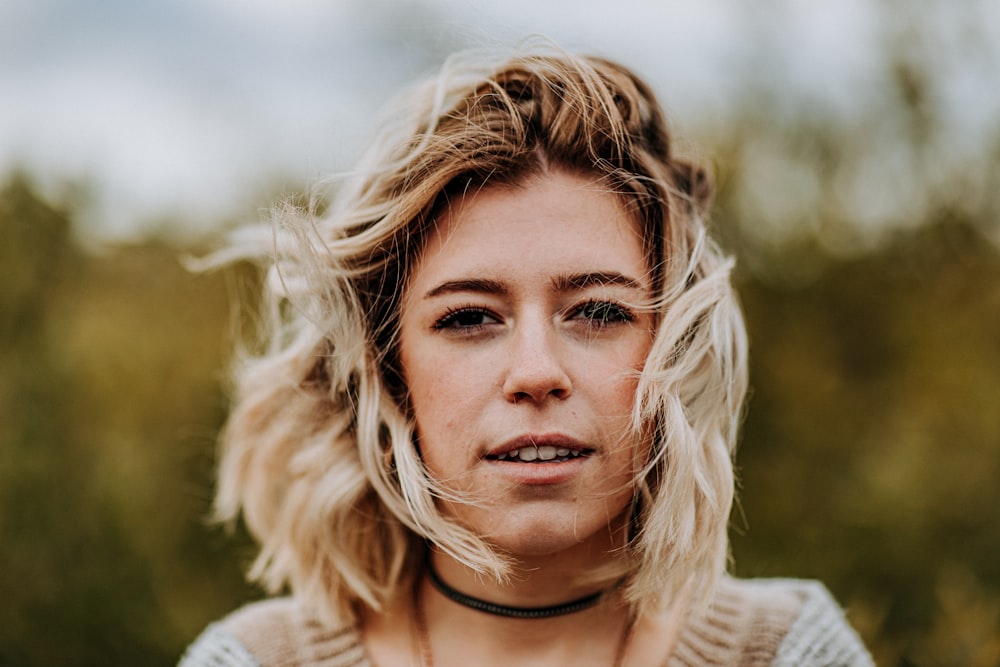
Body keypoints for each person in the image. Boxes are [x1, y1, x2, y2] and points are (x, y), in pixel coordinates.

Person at [180, 43, 873, 666]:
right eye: (470, 317)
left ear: (675, 347)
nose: (536, 372)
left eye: (599, 311)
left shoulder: (788, 652)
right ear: (390, 370)